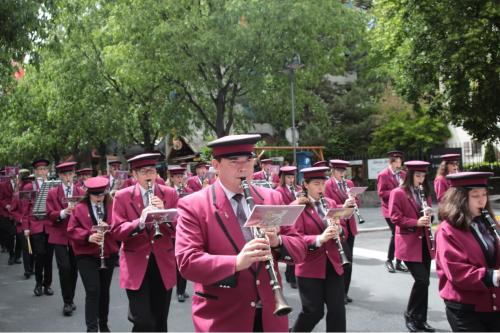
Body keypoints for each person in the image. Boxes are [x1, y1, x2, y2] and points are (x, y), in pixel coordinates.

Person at [175, 134, 306, 332]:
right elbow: (187, 262)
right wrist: (236, 263)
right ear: (215, 165)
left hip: (271, 314)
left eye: (248, 161)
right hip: (223, 317)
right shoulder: (193, 205)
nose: (243, 168)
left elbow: (300, 249)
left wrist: (277, 241)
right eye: (233, 162)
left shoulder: (271, 197)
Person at [111, 153, 178, 332]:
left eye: (152, 171)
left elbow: (180, 229)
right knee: (143, 320)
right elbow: (117, 231)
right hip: (136, 264)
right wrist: (140, 222)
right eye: (143, 171)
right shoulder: (122, 196)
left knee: (160, 320)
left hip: (162, 262)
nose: (149, 175)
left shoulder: (169, 194)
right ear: (134, 175)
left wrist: (165, 215)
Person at [435, 171, 500, 332]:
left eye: (484, 194)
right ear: (460, 199)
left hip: (493, 304)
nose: (482, 200)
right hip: (465, 309)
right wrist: (495, 276)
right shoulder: (447, 230)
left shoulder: (487, 223)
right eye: (475, 195)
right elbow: (456, 272)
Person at [291, 166, 348, 332]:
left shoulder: (330, 203)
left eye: (323, 183)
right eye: (316, 184)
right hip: (310, 266)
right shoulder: (296, 206)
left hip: (333, 264)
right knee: (313, 312)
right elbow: (295, 237)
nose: (321, 188)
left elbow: (343, 227)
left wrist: (340, 230)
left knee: (338, 311)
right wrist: (319, 239)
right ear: (306, 184)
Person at [388, 160, 435, 332]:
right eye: (417, 176)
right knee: (421, 280)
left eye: (423, 176)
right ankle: (410, 314)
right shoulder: (398, 192)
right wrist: (416, 222)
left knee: (426, 282)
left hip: (425, 242)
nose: (421, 179)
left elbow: (428, 216)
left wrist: (430, 216)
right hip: (409, 242)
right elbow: (395, 218)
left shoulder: (424, 192)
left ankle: (421, 319)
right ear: (409, 175)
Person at [68, 177, 119, 332]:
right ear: (88, 193)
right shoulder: (80, 208)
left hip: (107, 253)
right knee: (92, 290)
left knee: (104, 291)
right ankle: (91, 328)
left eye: (102, 194)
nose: (99, 198)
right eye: (96, 195)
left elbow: (120, 224)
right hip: (86, 254)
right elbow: (71, 230)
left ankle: (103, 324)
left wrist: (109, 227)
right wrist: (87, 236)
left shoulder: (112, 205)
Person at [46, 161, 85, 316]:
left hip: (75, 235)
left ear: (74, 175)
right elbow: (50, 214)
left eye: (70, 174)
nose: (68, 177)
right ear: (60, 176)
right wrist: (63, 212)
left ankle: (71, 298)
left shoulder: (81, 192)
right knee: (64, 268)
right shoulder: (53, 193)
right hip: (59, 235)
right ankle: (67, 302)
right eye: (65, 174)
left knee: (74, 268)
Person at [324, 159, 358, 305]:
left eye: (343, 171)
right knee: (342, 261)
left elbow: (357, 204)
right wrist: (343, 205)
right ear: (333, 171)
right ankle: (338, 293)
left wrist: (354, 200)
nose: (341, 174)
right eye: (339, 171)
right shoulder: (327, 185)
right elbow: (327, 205)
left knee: (349, 260)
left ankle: (345, 291)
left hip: (350, 225)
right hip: (337, 224)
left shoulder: (349, 184)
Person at [21, 158, 55, 297]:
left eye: (44, 169)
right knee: (39, 255)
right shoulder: (29, 187)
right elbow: (24, 209)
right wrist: (25, 227)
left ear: (47, 171)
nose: (42, 172)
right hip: (36, 226)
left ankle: (47, 285)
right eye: (39, 169)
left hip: (50, 226)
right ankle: (38, 283)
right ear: (35, 171)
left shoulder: (53, 186)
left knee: (49, 257)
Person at [377, 151, 408, 273]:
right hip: (388, 209)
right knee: (396, 233)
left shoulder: (403, 174)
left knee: (401, 234)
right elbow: (381, 193)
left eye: (401, 161)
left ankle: (399, 262)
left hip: (401, 209)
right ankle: (389, 260)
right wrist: (397, 190)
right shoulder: (383, 175)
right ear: (392, 162)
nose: (400, 164)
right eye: (398, 162)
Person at [167, 166, 192, 302]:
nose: (179, 179)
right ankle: (174, 288)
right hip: (172, 231)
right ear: (171, 178)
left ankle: (181, 290)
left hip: (185, 230)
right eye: (176, 177)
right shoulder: (168, 192)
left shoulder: (189, 191)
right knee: (173, 263)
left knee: (183, 260)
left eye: (181, 176)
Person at [275, 166, 301, 289]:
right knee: (290, 249)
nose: (291, 179)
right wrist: (295, 202)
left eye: (292, 177)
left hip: (299, 221)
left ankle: (295, 274)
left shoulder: (298, 189)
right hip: (288, 222)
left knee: (297, 248)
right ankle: (290, 277)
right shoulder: (279, 191)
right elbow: (281, 208)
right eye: (288, 177)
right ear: (283, 178)